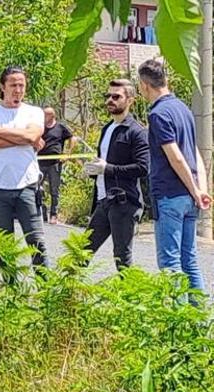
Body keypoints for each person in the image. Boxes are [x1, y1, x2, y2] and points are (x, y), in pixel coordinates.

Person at [138, 59, 212, 302]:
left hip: (169, 195)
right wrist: (200, 190)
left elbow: (176, 157)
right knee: (189, 260)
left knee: (170, 263)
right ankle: (199, 321)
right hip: (190, 197)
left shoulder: (158, 114)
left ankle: (178, 322)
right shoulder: (183, 109)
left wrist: (193, 188)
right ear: (166, 80)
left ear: (144, 86)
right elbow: (195, 154)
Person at [0, 66, 48, 273]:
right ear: (2, 86)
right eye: (13, 85)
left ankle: (46, 292)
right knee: (5, 245)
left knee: (36, 242)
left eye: (22, 85)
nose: (18, 90)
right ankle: (11, 292)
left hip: (27, 185)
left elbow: (30, 137)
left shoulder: (34, 112)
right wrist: (24, 138)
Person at [83, 79, 149, 270]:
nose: (110, 100)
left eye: (116, 96)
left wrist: (107, 169)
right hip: (104, 200)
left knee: (122, 257)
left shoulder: (137, 132)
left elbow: (143, 168)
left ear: (130, 101)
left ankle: (130, 298)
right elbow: (103, 162)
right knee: (81, 251)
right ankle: (66, 296)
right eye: (108, 96)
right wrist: (94, 171)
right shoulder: (107, 128)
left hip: (124, 202)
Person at [38, 107, 75, 224]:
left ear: (52, 116)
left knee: (55, 190)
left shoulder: (60, 127)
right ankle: (41, 211)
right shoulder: (40, 127)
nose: (43, 118)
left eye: (46, 115)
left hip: (55, 163)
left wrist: (68, 153)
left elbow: (72, 138)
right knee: (37, 188)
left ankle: (54, 214)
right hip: (40, 162)